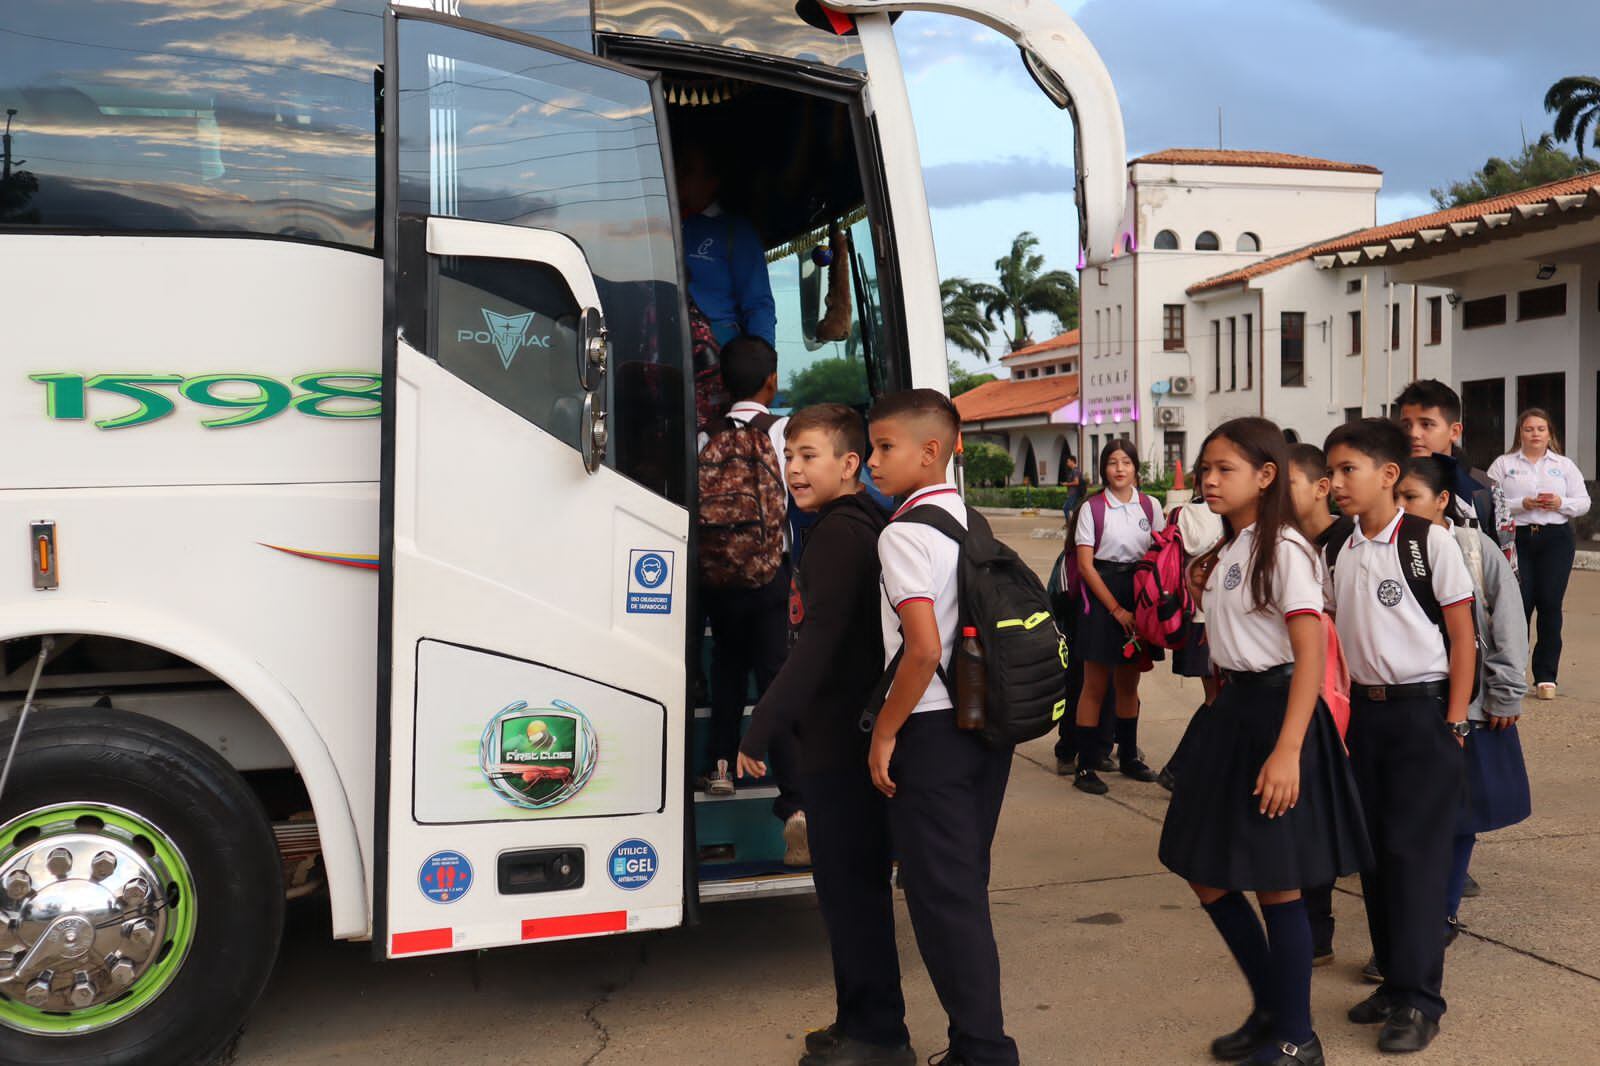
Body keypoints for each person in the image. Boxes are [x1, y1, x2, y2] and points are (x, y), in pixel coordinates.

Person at [1158, 417, 1370, 1066]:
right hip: (1235, 714)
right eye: (1205, 469)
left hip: (1278, 714)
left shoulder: (1285, 549)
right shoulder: (1233, 549)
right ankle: (1272, 1006)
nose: (1209, 480)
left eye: (1225, 469)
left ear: (1266, 475)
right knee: (1202, 870)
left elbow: (1310, 654)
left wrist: (1288, 750)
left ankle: (1296, 1036)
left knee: (1276, 885)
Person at [735, 404, 911, 1066]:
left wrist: (761, 727)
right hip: (839, 743)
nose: (794, 468)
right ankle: (857, 1018)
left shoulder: (841, 534)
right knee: (843, 893)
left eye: (808, 455)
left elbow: (816, 647)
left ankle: (880, 1036)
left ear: (849, 464)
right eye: (788, 455)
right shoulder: (848, 525)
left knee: (853, 894)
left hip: (841, 747)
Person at [865, 389, 1018, 1066]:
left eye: (884, 447)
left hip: (932, 731)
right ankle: (974, 1041)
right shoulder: (969, 521)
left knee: (944, 902)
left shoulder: (903, 533)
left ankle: (983, 1049)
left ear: (932, 450)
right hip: (985, 726)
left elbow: (923, 647)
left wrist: (884, 731)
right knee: (964, 890)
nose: (873, 461)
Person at [1324, 418, 1477, 1054]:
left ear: (1389, 475)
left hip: (1422, 713)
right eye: (1330, 473)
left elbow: (1463, 635)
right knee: (1376, 859)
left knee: (1415, 860)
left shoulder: (1427, 543)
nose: (1335, 484)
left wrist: (1454, 720)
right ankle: (1392, 982)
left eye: (1347, 471)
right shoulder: (1337, 547)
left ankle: (1420, 1001)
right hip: (1364, 717)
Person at [1397, 455, 1531, 948]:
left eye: (1410, 498)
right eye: (1396, 499)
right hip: (1406, 707)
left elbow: (1508, 623)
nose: (1401, 509)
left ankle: (1442, 915)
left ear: (1442, 501)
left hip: (1468, 709)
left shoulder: (1474, 548)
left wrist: (1504, 692)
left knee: (1457, 819)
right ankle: (1408, 924)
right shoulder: (1378, 547)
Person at [700, 338, 801, 849]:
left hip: (718, 579)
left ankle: (720, 766)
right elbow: (798, 495)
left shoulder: (705, 435)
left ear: (721, 382)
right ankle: (793, 794)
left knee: (727, 671)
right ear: (772, 381)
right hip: (769, 573)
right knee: (776, 678)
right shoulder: (782, 432)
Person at [1070, 439, 1163, 796]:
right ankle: (1086, 766)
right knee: (1094, 686)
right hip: (1102, 596)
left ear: (1136, 467)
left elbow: (1159, 550)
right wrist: (1116, 609)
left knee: (1129, 684)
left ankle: (1128, 757)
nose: (1119, 469)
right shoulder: (1092, 508)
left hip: (1140, 592)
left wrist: (1143, 607)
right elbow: (1085, 565)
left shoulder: (1149, 505)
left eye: (1126, 462)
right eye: (1112, 462)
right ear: (1103, 468)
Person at [1285, 443, 1342, 968]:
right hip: (1307, 695)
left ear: (1320, 487)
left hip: (1346, 695)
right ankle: (1315, 927)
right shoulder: (1280, 544)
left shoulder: (1343, 542)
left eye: (1289, 484)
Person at [1488, 408, 1591, 700]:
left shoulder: (1564, 465)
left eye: (1540, 429)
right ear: (1519, 433)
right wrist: (1523, 503)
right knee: (1518, 604)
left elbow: (1583, 502)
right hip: (1516, 538)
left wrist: (1560, 502)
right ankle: (1513, 668)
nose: (1535, 434)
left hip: (1555, 539)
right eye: (1529, 429)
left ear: (1550, 434)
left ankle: (1546, 676)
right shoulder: (1503, 464)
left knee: (1549, 604)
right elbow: (1491, 502)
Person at [676, 141, 777, 348]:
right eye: (678, 168)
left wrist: (762, 368)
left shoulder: (736, 231)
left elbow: (758, 306)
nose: (678, 176)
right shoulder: (661, 227)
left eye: (687, 171)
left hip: (717, 354)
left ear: (711, 182)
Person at [1158, 496, 1225, 792]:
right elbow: (1195, 568)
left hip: (1211, 620)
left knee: (1219, 700)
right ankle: (1178, 768)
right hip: (1202, 620)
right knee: (1217, 700)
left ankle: (1185, 768)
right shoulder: (1190, 514)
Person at [1393, 379, 1496, 532]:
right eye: (1406, 425)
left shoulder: (1483, 488)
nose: (1413, 434)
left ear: (1454, 432)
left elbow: (1501, 551)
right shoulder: (1387, 482)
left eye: (1426, 424)